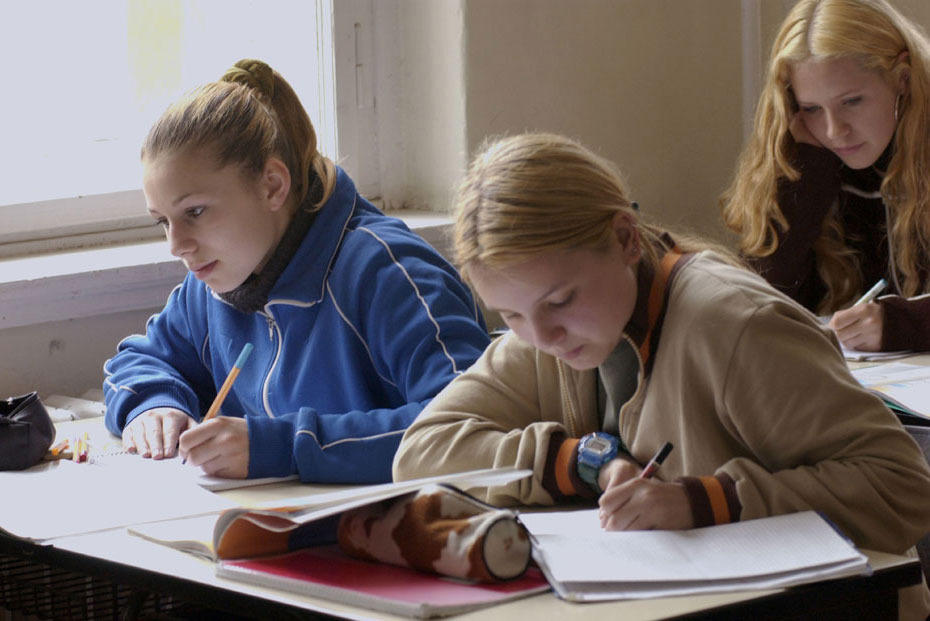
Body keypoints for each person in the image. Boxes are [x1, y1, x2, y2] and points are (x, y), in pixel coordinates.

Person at [392, 133, 930, 618]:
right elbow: (420, 454)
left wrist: (707, 501)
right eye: (508, 316)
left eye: (560, 301)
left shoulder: (737, 326)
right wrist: (579, 464)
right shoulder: (547, 332)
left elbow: (903, 485)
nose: (542, 337)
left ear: (626, 238)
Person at [103, 59, 490, 483]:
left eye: (194, 212)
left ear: (272, 185)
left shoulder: (387, 273)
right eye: (163, 221)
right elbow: (142, 359)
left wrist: (284, 446)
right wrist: (154, 404)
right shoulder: (213, 283)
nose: (176, 245)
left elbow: (469, 425)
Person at [721, 0, 930, 353]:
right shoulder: (812, 155)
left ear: (903, 81)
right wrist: (808, 170)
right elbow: (757, 301)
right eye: (812, 109)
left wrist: (900, 324)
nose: (834, 131)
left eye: (852, 102)